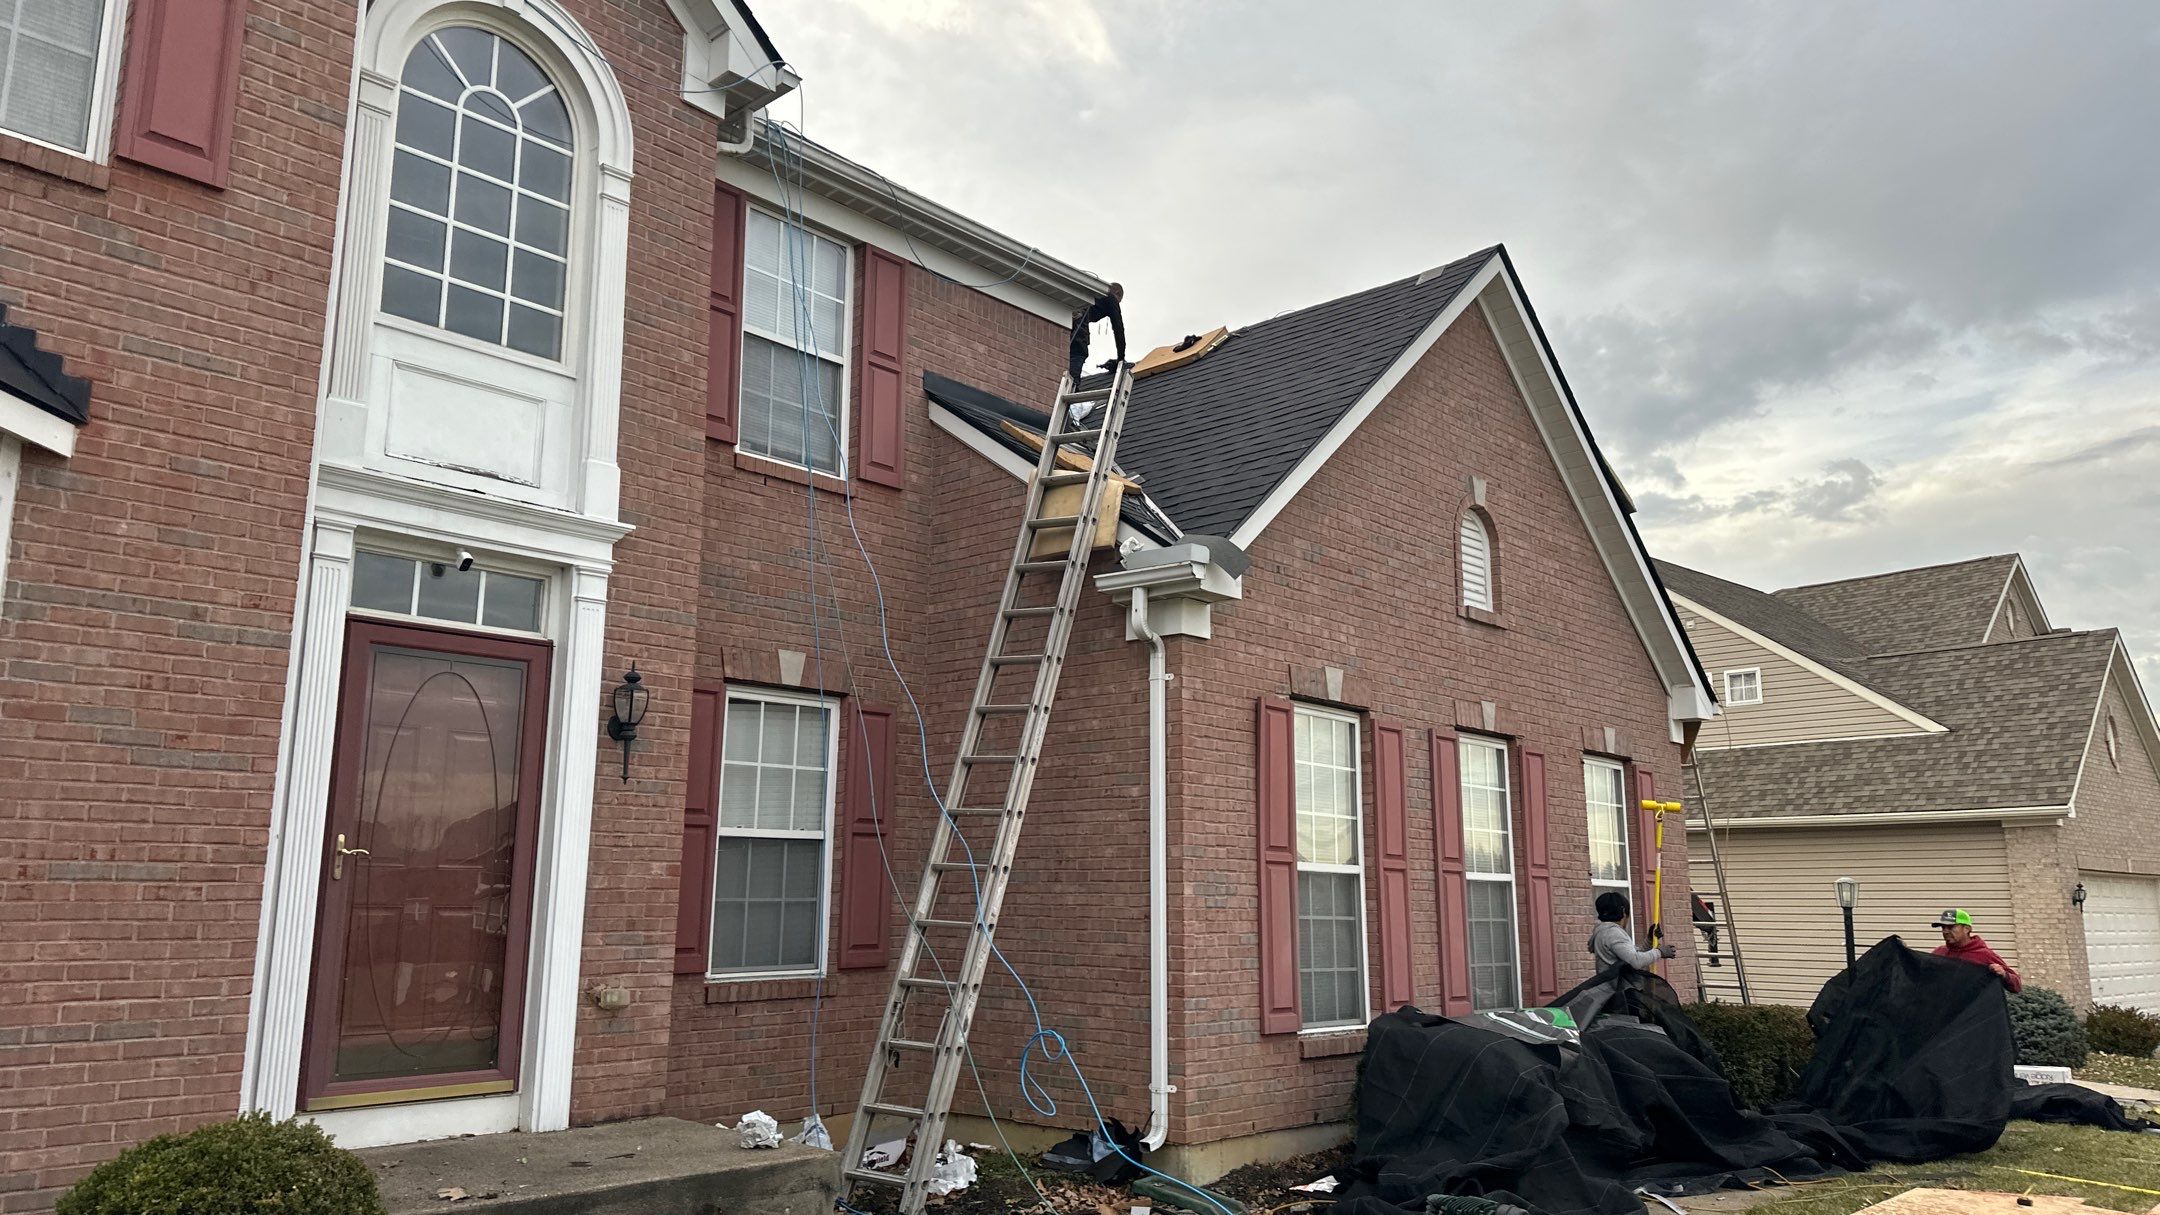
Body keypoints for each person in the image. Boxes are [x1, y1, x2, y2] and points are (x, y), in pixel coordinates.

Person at [1930, 908, 2022, 992]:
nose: (1945, 931)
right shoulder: (1939, 952)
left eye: (1950, 927)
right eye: (1943, 927)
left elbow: (2017, 986)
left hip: (1972, 1009)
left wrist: (2004, 974)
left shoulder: (1984, 955)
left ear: (1967, 929)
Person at [1590, 890, 1676, 972]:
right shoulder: (1613, 933)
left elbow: (1633, 956)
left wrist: (1650, 939)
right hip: (1617, 987)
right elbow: (1636, 961)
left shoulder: (1603, 931)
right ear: (1623, 912)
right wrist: (1660, 952)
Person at [1068, 283, 1127, 387]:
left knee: (1069, 350)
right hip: (1078, 318)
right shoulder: (1111, 298)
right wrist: (1121, 359)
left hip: (1069, 316)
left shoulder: (1096, 296)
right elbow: (1118, 329)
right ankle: (1073, 384)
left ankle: (1067, 380)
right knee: (1079, 351)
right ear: (1117, 293)